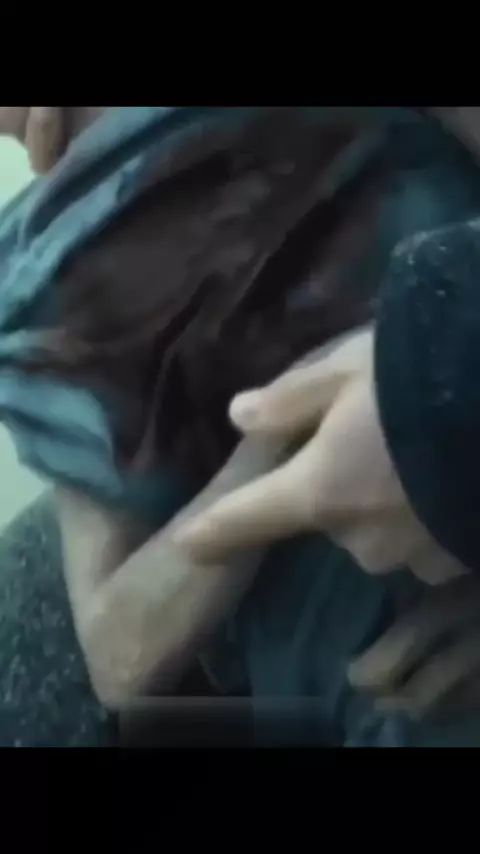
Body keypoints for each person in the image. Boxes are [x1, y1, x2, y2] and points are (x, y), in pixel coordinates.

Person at [1, 106, 480, 746]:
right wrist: (277, 442)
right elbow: (118, 652)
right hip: (368, 681)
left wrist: (434, 402)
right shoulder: (54, 272)